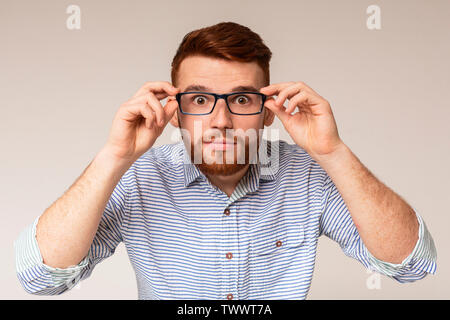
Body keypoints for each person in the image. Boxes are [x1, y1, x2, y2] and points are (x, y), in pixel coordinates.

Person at [14, 21, 436, 299]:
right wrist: (113, 157)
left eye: (241, 99)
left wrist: (333, 152)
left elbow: (412, 265)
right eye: (199, 99)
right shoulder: (137, 177)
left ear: (268, 110)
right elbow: (41, 278)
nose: (221, 121)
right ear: (175, 111)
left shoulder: (309, 175)